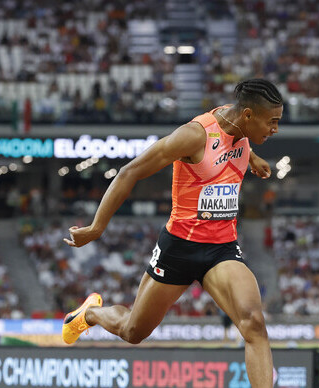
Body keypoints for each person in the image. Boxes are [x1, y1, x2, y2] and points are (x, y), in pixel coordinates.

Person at [62, 78, 283, 388]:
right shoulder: (194, 136)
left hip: (221, 249)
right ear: (247, 115)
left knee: (254, 324)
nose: (275, 129)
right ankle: (91, 315)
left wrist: (254, 158)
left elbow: (237, 142)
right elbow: (130, 171)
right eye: (272, 122)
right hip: (178, 249)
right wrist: (97, 226)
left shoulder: (240, 126)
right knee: (133, 332)